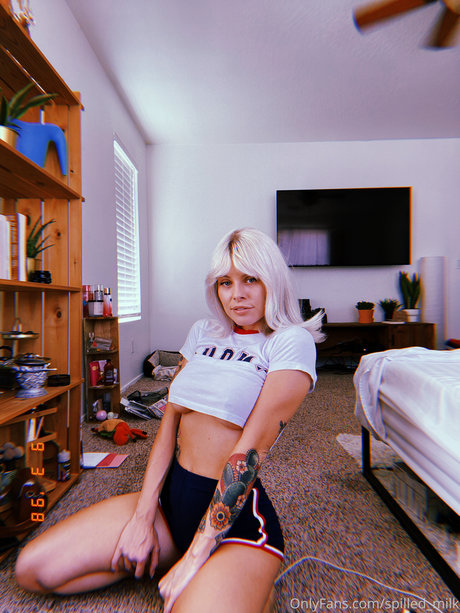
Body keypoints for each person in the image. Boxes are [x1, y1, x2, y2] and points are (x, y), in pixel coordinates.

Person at [15, 227, 324, 613]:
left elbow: (251, 453)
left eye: (250, 279)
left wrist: (196, 556)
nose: (237, 294)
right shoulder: (202, 332)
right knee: (34, 570)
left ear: (272, 281)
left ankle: (251, 586)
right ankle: (179, 558)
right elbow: (169, 425)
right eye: (225, 282)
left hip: (234, 525)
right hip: (170, 506)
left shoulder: (290, 342)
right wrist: (142, 519)